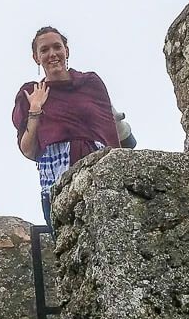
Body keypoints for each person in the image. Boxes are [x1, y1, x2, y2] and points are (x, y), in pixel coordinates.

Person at [12, 26, 134, 230]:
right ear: (36, 58)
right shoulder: (30, 93)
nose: (52, 54)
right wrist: (35, 110)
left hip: (100, 175)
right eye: (44, 50)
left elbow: (109, 131)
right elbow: (28, 150)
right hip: (57, 186)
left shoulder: (90, 83)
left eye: (57, 47)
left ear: (66, 51)